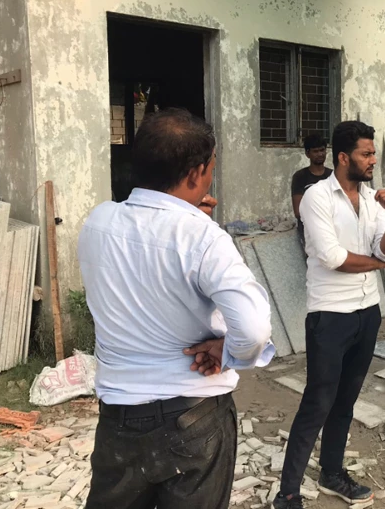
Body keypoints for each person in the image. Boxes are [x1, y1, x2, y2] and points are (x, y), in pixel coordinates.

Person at [79, 108, 274, 509]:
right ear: (195, 174)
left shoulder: (97, 221)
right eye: (211, 169)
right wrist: (227, 351)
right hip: (194, 418)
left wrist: (187, 219)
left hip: (119, 420)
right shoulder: (204, 238)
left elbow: (147, 254)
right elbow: (253, 331)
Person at [272, 121, 385, 509]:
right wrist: (378, 263)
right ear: (343, 157)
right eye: (366, 154)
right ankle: (289, 493)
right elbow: (332, 257)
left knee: (346, 401)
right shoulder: (317, 197)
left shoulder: (372, 200)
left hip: (368, 313)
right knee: (318, 402)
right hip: (330, 316)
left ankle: (332, 473)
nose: (372, 160)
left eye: (373, 153)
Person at [291, 134, 333, 250]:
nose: (320, 154)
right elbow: (298, 211)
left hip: (332, 228)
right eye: (315, 151)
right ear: (307, 154)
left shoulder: (333, 176)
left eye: (322, 150)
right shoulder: (300, 177)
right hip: (309, 230)